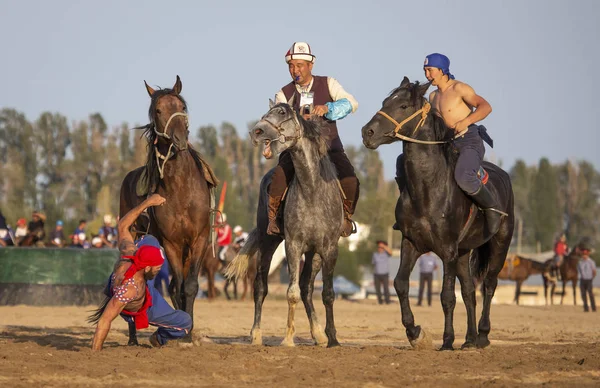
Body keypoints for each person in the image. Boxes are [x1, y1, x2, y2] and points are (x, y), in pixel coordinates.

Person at [395, 53, 502, 234]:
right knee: (402, 161)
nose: (427, 75)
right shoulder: (433, 96)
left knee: (463, 176)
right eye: (425, 71)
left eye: (430, 71)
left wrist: (466, 122)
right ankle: (408, 210)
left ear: (442, 70)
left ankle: (492, 211)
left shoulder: (460, 88)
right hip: (446, 144)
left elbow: (486, 107)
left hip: (468, 140)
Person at [270, 41, 360, 237]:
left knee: (351, 180)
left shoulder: (329, 83)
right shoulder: (283, 94)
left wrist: (329, 108)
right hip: (295, 151)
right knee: (277, 179)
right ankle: (274, 220)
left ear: (311, 65)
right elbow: (278, 123)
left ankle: (346, 218)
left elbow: (352, 103)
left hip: (329, 147)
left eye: (300, 65)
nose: (295, 70)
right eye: (291, 66)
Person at [90, 194, 191, 350]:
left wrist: (148, 202)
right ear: (148, 268)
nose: (160, 269)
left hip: (139, 279)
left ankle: (149, 241)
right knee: (186, 322)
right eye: (158, 266)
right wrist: (94, 353)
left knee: (150, 240)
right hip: (143, 305)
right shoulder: (129, 289)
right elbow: (104, 320)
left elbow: (122, 226)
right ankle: (158, 338)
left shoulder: (129, 253)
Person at [372, 240, 392, 305]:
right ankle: (380, 301)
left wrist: (384, 246)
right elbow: (373, 263)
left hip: (385, 274)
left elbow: (391, 253)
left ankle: (387, 301)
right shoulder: (375, 254)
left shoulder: (386, 254)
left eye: (381, 247)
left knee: (386, 288)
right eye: (379, 247)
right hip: (376, 274)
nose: (380, 248)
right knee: (378, 289)